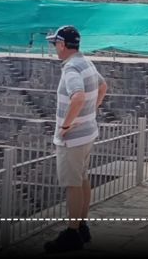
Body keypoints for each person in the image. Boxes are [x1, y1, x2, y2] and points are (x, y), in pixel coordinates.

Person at [44, 26, 108, 253]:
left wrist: (66, 124)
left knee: (72, 184)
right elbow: (103, 86)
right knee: (82, 179)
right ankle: (81, 225)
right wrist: (91, 112)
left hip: (73, 138)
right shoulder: (85, 62)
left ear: (62, 44)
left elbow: (78, 96)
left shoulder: (71, 68)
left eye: (55, 44)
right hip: (88, 132)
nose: (54, 48)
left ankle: (72, 232)